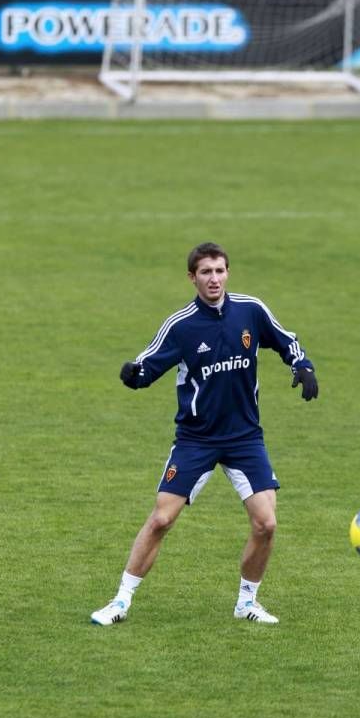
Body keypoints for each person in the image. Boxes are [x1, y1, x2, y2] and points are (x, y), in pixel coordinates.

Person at [91, 241, 318, 627]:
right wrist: (134, 375)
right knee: (162, 519)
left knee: (267, 524)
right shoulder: (181, 325)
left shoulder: (251, 310)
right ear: (192, 277)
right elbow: (149, 363)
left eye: (219, 270)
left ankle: (247, 601)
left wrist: (303, 366)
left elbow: (286, 340)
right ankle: (120, 601)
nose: (214, 279)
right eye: (206, 272)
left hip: (246, 438)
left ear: (228, 272)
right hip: (197, 439)